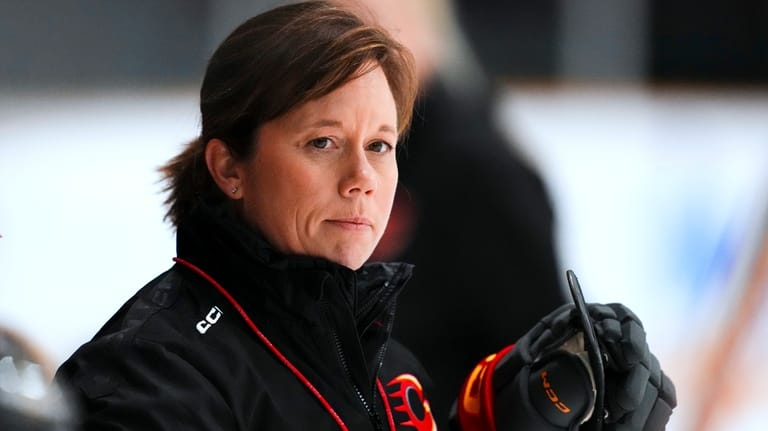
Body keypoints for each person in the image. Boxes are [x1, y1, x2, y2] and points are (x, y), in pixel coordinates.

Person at [55, 2, 676, 430]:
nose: (362, 178)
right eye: (322, 142)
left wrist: (504, 418)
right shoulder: (152, 377)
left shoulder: (391, 373)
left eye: (380, 145)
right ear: (228, 167)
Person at [340, 0, 568, 424]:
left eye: (364, 26)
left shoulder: (481, 169)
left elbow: (541, 350)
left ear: (425, 27)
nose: (342, 53)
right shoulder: (358, 153)